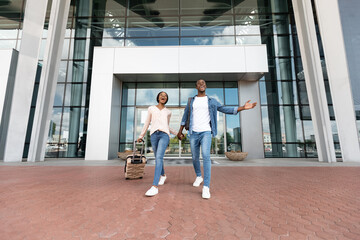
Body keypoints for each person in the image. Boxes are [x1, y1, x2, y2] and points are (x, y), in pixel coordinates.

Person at [177, 79, 257, 199]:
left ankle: (206, 187)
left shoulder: (212, 101)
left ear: (206, 86)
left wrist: (243, 108)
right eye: (199, 83)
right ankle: (199, 176)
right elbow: (185, 116)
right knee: (194, 157)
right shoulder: (191, 101)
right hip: (193, 132)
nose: (202, 84)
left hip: (206, 132)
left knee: (205, 155)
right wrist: (180, 131)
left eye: (203, 83)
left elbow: (225, 109)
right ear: (196, 86)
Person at [137, 91, 179, 197]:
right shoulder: (151, 108)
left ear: (166, 99)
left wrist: (177, 133)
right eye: (161, 95)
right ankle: (163, 175)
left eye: (165, 96)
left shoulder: (168, 112)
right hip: (154, 135)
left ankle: (154, 187)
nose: (163, 97)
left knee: (159, 157)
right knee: (157, 157)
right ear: (158, 97)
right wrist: (141, 136)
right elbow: (147, 122)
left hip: (164, 135)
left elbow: (167, 126)